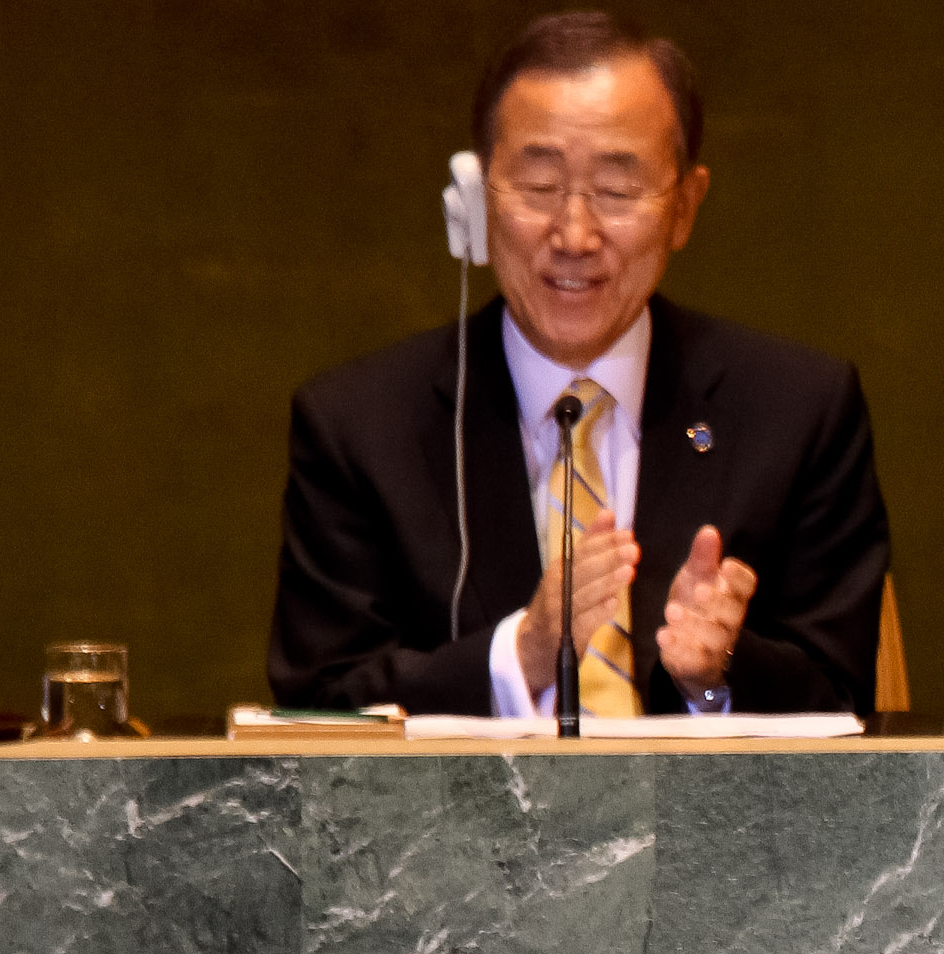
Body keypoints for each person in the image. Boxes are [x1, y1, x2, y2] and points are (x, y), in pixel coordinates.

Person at [268, 11, 890, 715]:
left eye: (618, 192)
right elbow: (317, 706)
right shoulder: (360, 426)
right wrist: (522, 654)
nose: (574, 234)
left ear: (685, 206)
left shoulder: (797, 410)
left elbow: (846, 700)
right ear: (474, 201)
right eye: (538, 186)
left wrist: (714, 673)